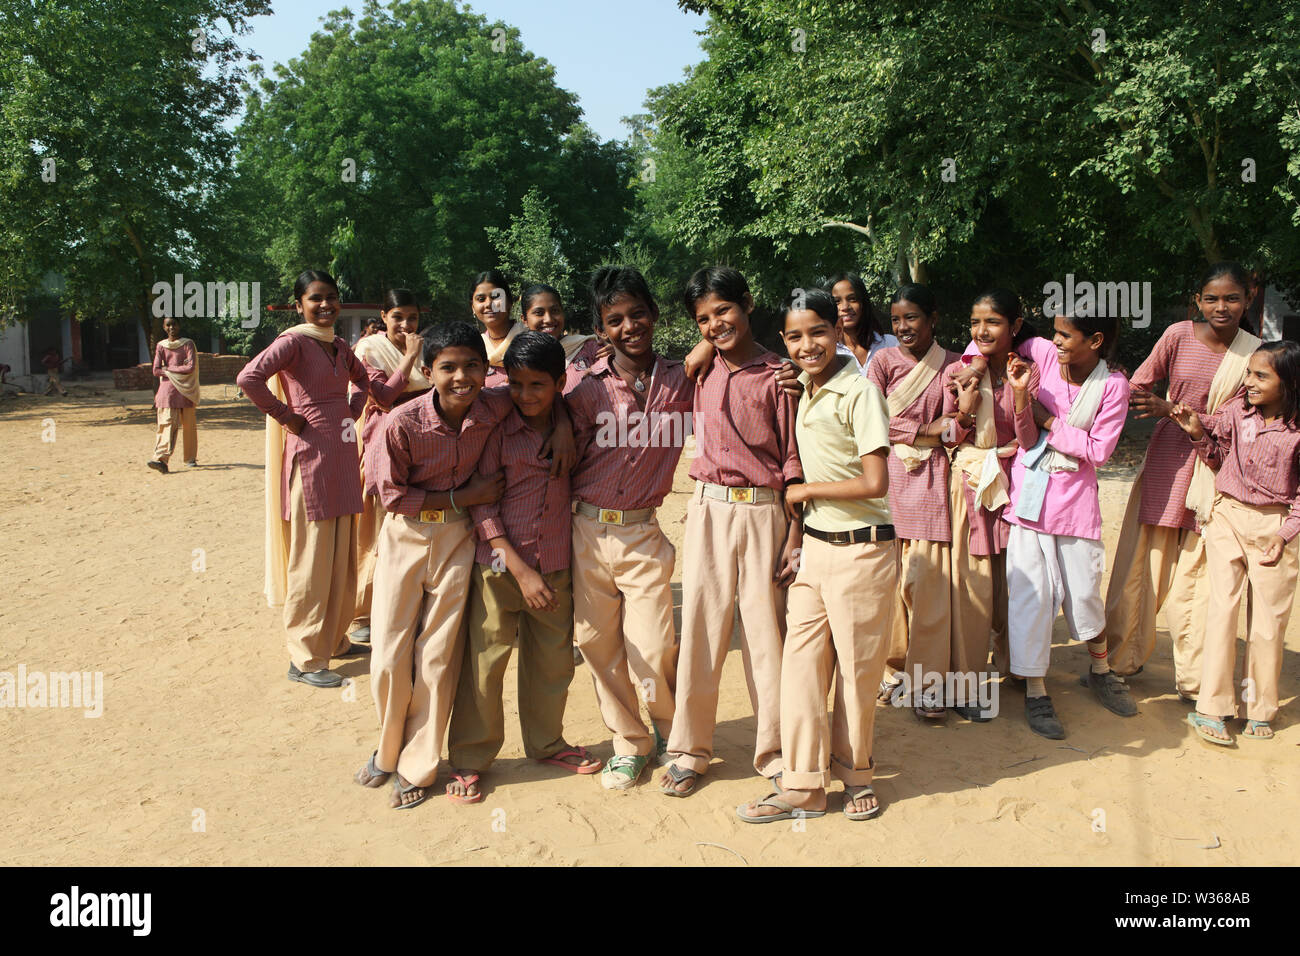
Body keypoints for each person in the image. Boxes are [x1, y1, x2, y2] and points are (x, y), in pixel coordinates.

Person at [737, 288, 894, 823]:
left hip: (863, 553)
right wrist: (798, 535)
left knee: (856, 672)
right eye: (796, 336)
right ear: (784, 341)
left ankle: (858, 774)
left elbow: (876, 482)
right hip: (816, 556)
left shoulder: (860, 392)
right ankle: (804, 785)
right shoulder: (801, 386)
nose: (809, 344)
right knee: (800, 668)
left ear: (839, 330)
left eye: (819, 332)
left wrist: (807, 493)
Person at [659, 266, 802, 798]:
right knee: (700, 630)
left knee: (768, 636)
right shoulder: (696, 372)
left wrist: (795, 535)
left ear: (747, 302)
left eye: (723, 310)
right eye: (703, 319)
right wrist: (699, 354)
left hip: (766, 511)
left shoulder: (780, 375)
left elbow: (794, 461)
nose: (716, 324)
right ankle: (690, 748)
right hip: (708, 510)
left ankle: (780, 751)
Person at [445, 331, 602, 802]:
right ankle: (471, 757)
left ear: (559, 383)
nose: (525, 395)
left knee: (553, 663)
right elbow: (483, 507)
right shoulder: (494, 427)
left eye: (539, 386)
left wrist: (560, 418)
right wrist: (520, 570)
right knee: (484, 664)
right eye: (516, 384)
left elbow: (580, 397)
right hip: (499, 568)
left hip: (554, 565)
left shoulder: (571, 421)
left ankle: (547, 742)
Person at [236, 270, 410, 688]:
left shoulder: (339, 346)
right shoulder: (293, 342)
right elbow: (248, 378)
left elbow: (376, 392)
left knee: (340, 553)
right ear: (299, 305)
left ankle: (334, 639)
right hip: (310, 457)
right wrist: (289, 417)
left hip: (344, 456)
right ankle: (304, 658)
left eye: (331, 297)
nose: (325, 305)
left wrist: (352, 406)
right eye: (315, 299)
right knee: (312, 558)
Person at [1102, 263, 1261, 700]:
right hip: (1167, 465)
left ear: (1248, 299)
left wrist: (1175, 410)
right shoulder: (1177, 335)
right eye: (1211, 298)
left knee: (1201, 578)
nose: (1221, 307)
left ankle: (1195, 683)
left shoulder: (1257, 353)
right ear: (1197, 300)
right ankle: (1119, 660)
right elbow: (1138, 387)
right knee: (1142, 568)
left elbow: (1250, 420)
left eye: (1231, 298)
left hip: (1219, 470)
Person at [567, 265, 694, 791]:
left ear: (655, 314)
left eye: (637, 314)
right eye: (615, 320)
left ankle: (668, 729)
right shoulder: (582, 388)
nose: (629, 327)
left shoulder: (685, 378)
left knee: (653, 642)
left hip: (643, 532)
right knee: (597, 643)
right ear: (601, 330)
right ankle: (628, 742)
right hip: (587, 532)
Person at [1004, 311, 1135, 738]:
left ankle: (1101, 670)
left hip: (1076, 506)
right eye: (1055, 333)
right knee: (1032, 597)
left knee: (1083, 594)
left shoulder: (1113, 386)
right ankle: (1037, 691)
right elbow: (1026, 439)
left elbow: (1098, 451)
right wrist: (1021, 395)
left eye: (1066, 335)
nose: (1055, 341)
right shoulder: (1039, 354)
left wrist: (1048, 421)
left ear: (1095, 340)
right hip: (1030, 500)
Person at [1172, 342, 1300, 745]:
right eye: (1249, 373)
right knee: (1221, 611)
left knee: (1266, 625)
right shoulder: (1236, 411)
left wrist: (1283, 537)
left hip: (1276, 527)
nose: (1249, 383)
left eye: (1261, 376)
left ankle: (1259, 710)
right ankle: (1212, 708)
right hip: (1227, 514)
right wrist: (1195, 431)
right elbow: (1216, 455)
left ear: (1290, 383)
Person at [942, 290, 1040, 712]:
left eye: (993, 322)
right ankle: (967, 679)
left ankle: (1015, 666)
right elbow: (947, 436)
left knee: (1013, 581)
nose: (982, 331)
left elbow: (1031, 438)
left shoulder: (1032, 372)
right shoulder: (959, 372)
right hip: (970, 482)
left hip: (1015, 485)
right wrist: (964, 412)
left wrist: (1018, 395)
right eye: (975, 322)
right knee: (973, 583)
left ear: (1015, 327)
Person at [865, 285, 958, 719]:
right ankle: (893, 673)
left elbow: (959, 426)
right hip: (886, 484)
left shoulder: (955, 365)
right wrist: (924, 432)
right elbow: (867, 423)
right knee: (889, 588)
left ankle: (930, 685)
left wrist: (933, 430)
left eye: (912, 318)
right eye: (896, 320)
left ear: (933, 318)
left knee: (928, 588)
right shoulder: (881, 362)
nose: (903, 327)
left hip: (933, 485)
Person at [347, 289, 428, 644]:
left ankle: (409, 606)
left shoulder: (428, 345)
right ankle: (363, 612)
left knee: (414, 523)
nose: (406, 324)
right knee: (377, 525)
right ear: (383, 317)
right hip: (384, 438)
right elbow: (382, 396)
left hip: (424, 439)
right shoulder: (367, 350)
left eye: (412, 317)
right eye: (398, 317)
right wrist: (409, 358)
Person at [518, 282, 608, 394]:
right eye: (539, 313)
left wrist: (619, 354)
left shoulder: (590, 348)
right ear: (524, 320)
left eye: (555, 311)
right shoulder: (520, 359)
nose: (549, 319)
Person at [147, 317, 200, 474]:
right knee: (167, 425)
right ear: (164, 327)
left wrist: (169, 370)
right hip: (168, 392)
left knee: (189, 427)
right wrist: (174, 370)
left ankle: (190, 458)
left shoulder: (187, 344)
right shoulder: (161, 346)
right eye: (168, 325)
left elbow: (190, 367)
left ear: (179, 326)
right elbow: (156, 370)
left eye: (174, 324)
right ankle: (161, 459)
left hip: (186, 391)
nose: (171, 327)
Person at [828, 272, 898, 375]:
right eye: (837, 301)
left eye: (852, 299)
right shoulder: (827, 353)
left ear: (863, 303)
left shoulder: (890, 344)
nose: (845, 307)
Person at [471, 269, 522, 389]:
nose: (489, 304)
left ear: (509, 302)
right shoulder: (476, 347)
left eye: (496, 297)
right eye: (481, 299)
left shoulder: (529, 337)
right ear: (473, 307)